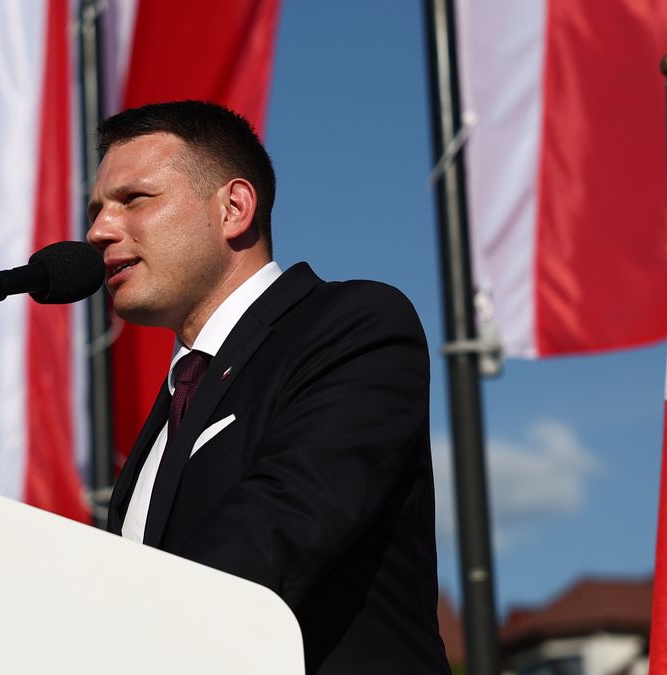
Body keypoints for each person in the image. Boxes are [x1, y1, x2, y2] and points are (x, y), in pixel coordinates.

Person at [86, 100, 451, 674]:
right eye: (97, 209)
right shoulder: (169, 408)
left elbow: (283, 522)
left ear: (234, 208)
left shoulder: (352, 324)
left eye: (134, 200)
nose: (98, 231)